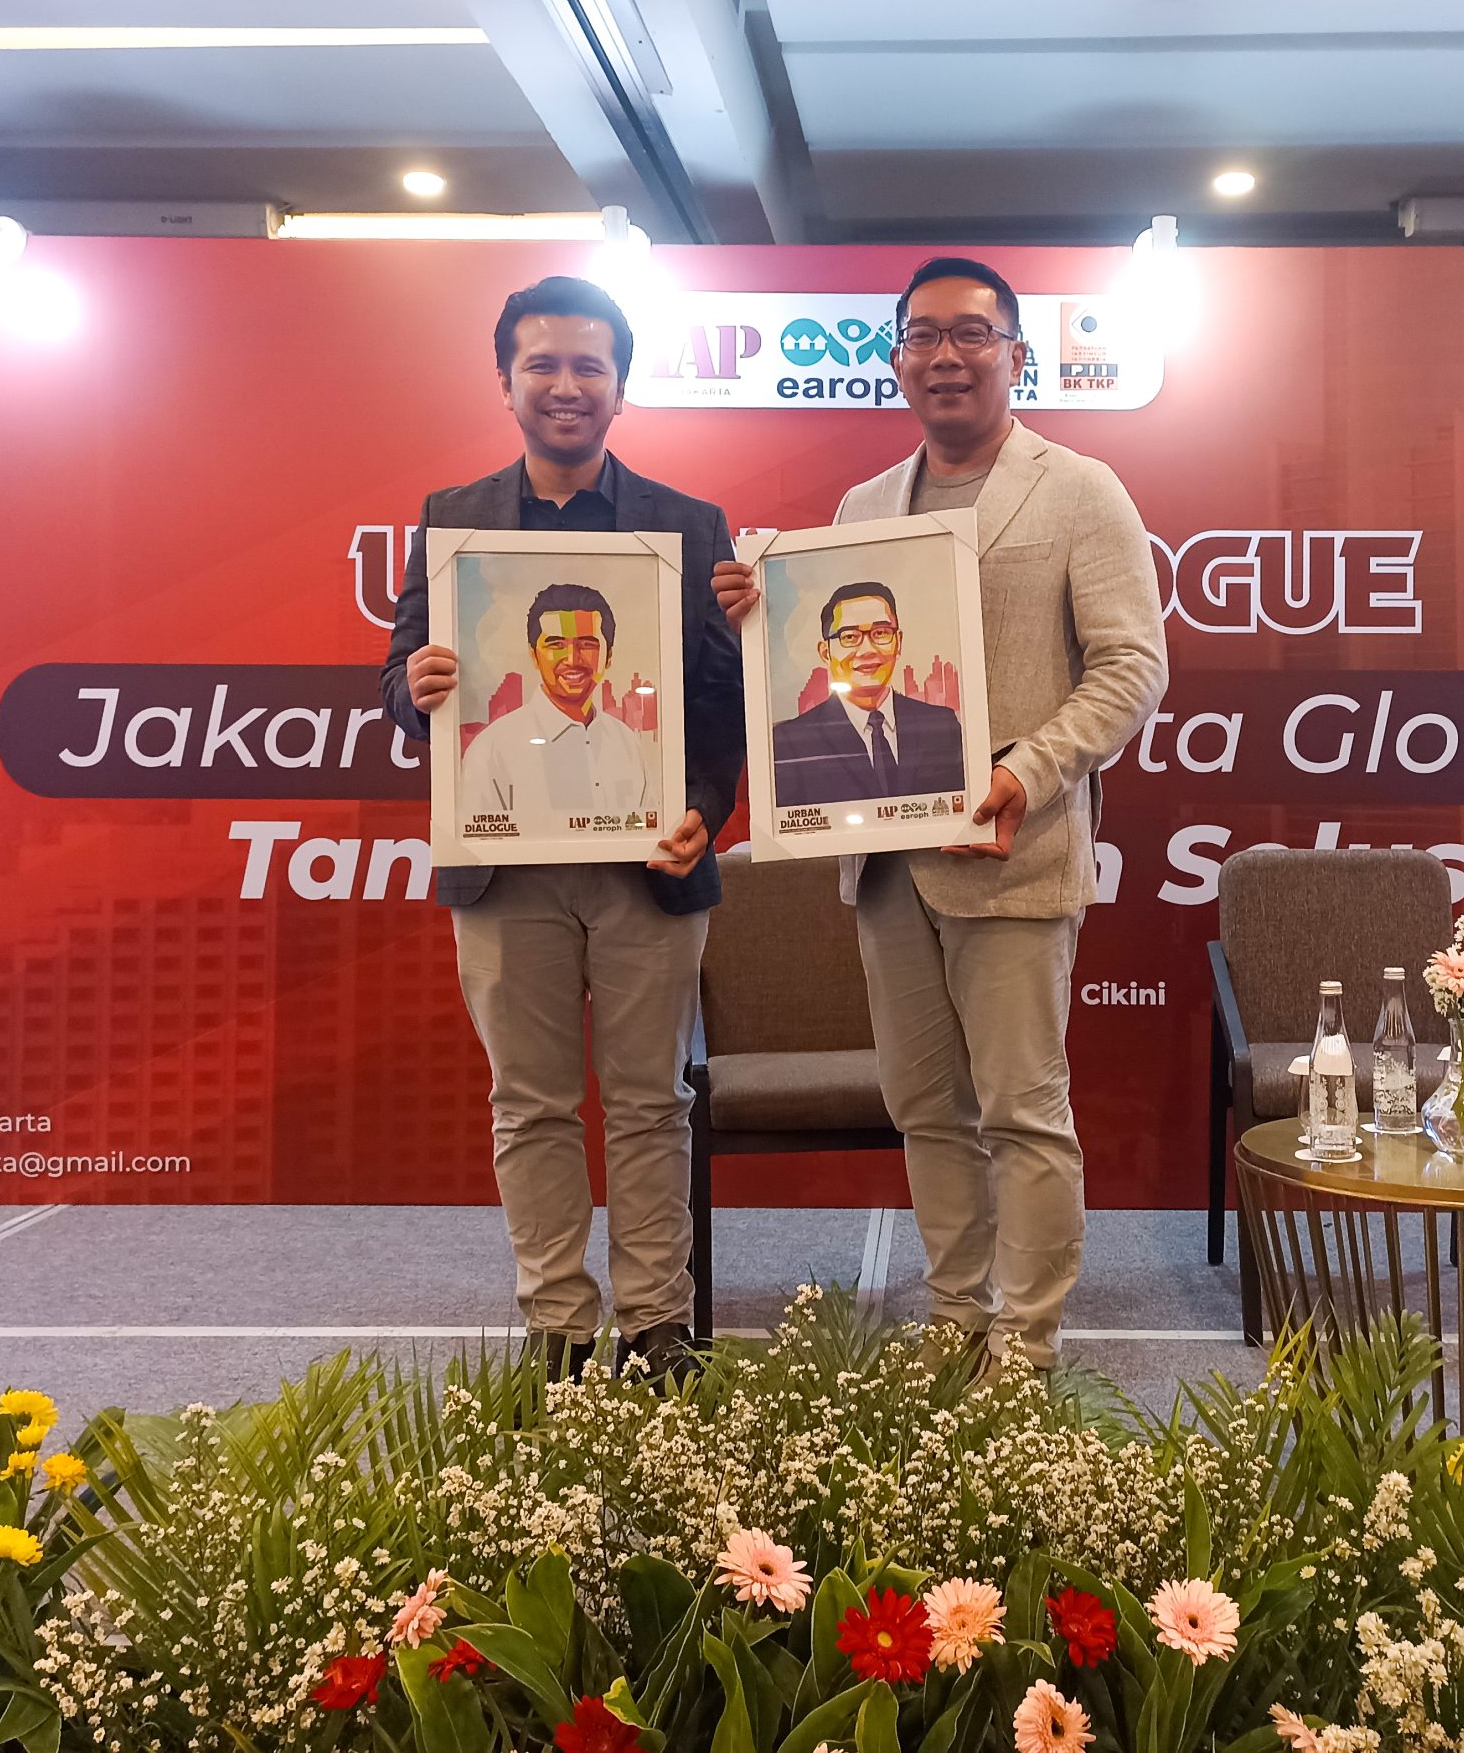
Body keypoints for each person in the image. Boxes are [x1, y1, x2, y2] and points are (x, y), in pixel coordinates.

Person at [714, 256, 1167, 1372]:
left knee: (1022, 1107)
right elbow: (828, 666)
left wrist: (1025, 772)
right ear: (896, 359)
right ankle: (956, 1315)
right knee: (925, 1105)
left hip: (1012, 849)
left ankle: (1026, 1337)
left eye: (972, 334)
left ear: (1017, 355)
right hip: (885, 865)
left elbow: (1130, 667)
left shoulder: (1080, 489)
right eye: (923, 336)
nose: (946, 355)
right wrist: (761, 620)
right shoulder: (864, 507)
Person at [383, 275, 745, 1382]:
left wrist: (705, 811)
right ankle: (559, 1325)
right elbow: (397, 683)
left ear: (621, 387)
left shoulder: (688, 526)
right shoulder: (452, 520)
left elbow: (720, 705)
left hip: (649, 869)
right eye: (541, 363)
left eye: (590, 365)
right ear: (506, 382)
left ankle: (657, 1324)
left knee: (651, 1104)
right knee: (530, 1104)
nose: (566, 384)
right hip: (505, 871)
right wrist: (417, 684)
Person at [456, 582, 656, 824]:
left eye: (587, 644)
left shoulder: (627, 743)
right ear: (534, 655)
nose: (572, 659)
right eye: (556, 645)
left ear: (609, 656)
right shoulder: (491, 751)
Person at [769, 581, 964, 807]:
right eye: (849, 637)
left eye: (880, 633)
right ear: (825, 652)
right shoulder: (791, 741)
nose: (867, 650)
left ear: (898, 642)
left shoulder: (940, 724)